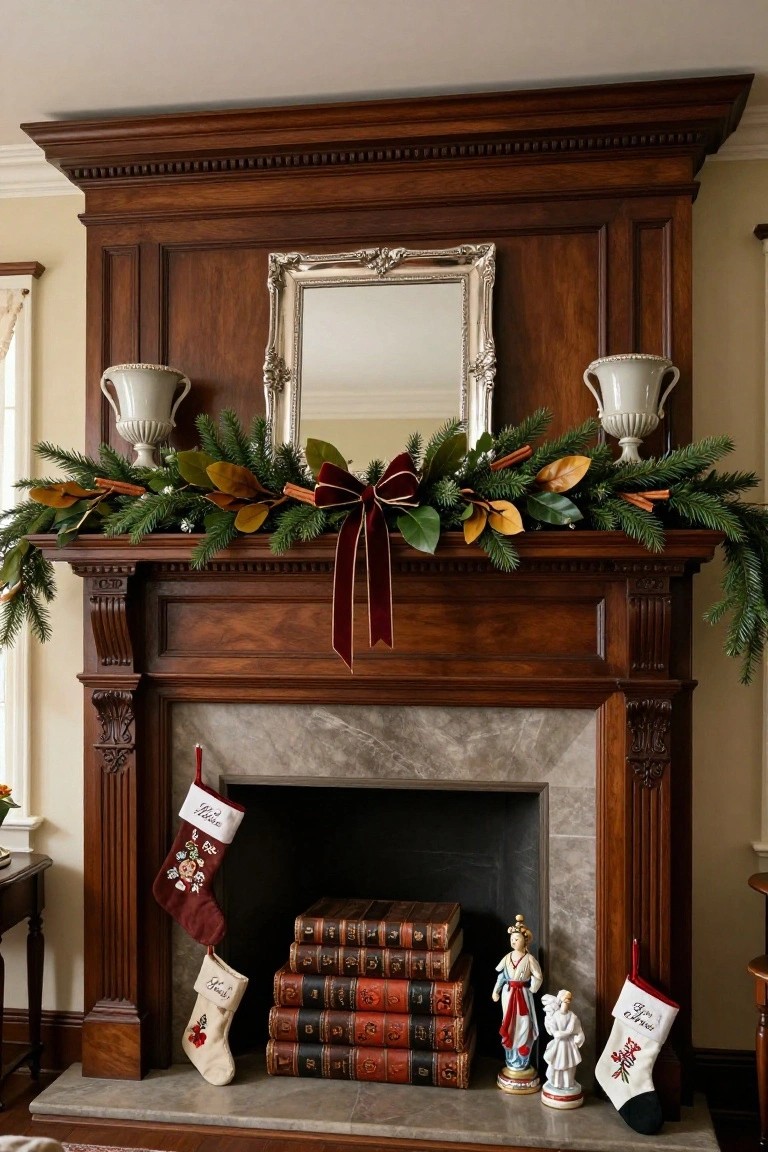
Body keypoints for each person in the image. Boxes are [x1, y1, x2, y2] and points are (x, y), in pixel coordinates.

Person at [492, 913, 543, 1072]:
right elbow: (501, 976)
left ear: (525, 940)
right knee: (509, 1023)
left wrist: (532, 988)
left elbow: (538, 976)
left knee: (523, 1024)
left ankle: (522, 1056)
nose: (514, 941)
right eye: (512, 939)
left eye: (517, 938)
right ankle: (511, 1057)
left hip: (522, 996)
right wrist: (496, 991)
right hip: (508, 995)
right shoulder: (507, 958)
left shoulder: (529, 959)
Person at [541, 989, 585, 1093]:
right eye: (565, 1000)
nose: (567, 1002)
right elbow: (556, 1034)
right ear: (561, 1001)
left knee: (569, 1066)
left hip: (569, 1046)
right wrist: (568, 1032)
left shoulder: (572, 1016)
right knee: (558, 1066)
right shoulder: (555, 1016)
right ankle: (557, 1084)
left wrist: (579, 1036)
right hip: (559, 1046)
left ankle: (568, 1084)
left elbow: (578, 1030)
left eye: (568, 1000)